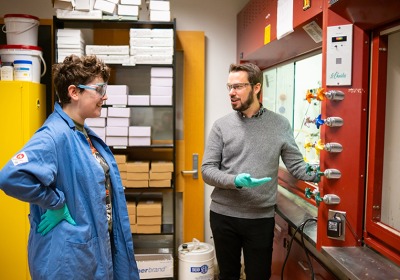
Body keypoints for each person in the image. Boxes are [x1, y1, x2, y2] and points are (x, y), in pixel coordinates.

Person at [0, 55, 140, 279]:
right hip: (70, 257)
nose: (104, 96)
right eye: (99, 89)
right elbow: (11, 176)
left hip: (91, 249)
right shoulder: (54, 135)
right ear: (74, 92)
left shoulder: (81, 132)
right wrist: (55, 203)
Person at [201, 63, 318, 280]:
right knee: (228, 275)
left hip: (260, 218)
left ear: (256, 88)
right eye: (229, 87)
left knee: (259, 275)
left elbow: (296, 166)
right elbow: (207, 170)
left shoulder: (279, 124)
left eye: (237, 87)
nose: (231, 93)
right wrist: (235, 180)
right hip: (223, 215)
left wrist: (321, 172)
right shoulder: (221, 126)